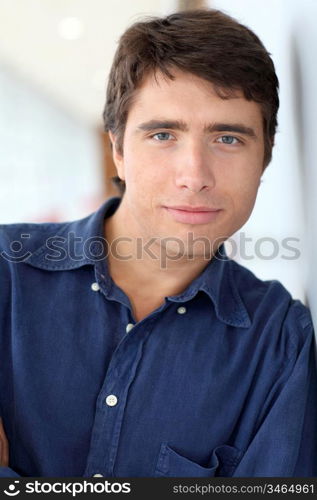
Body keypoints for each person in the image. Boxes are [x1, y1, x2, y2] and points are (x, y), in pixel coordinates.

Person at [0, 8, 316, 478]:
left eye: (228, 138)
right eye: (163, 134)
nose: (195, 176)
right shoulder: (6, 273)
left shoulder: (280, 342)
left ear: (265, 158)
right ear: (118, 150)